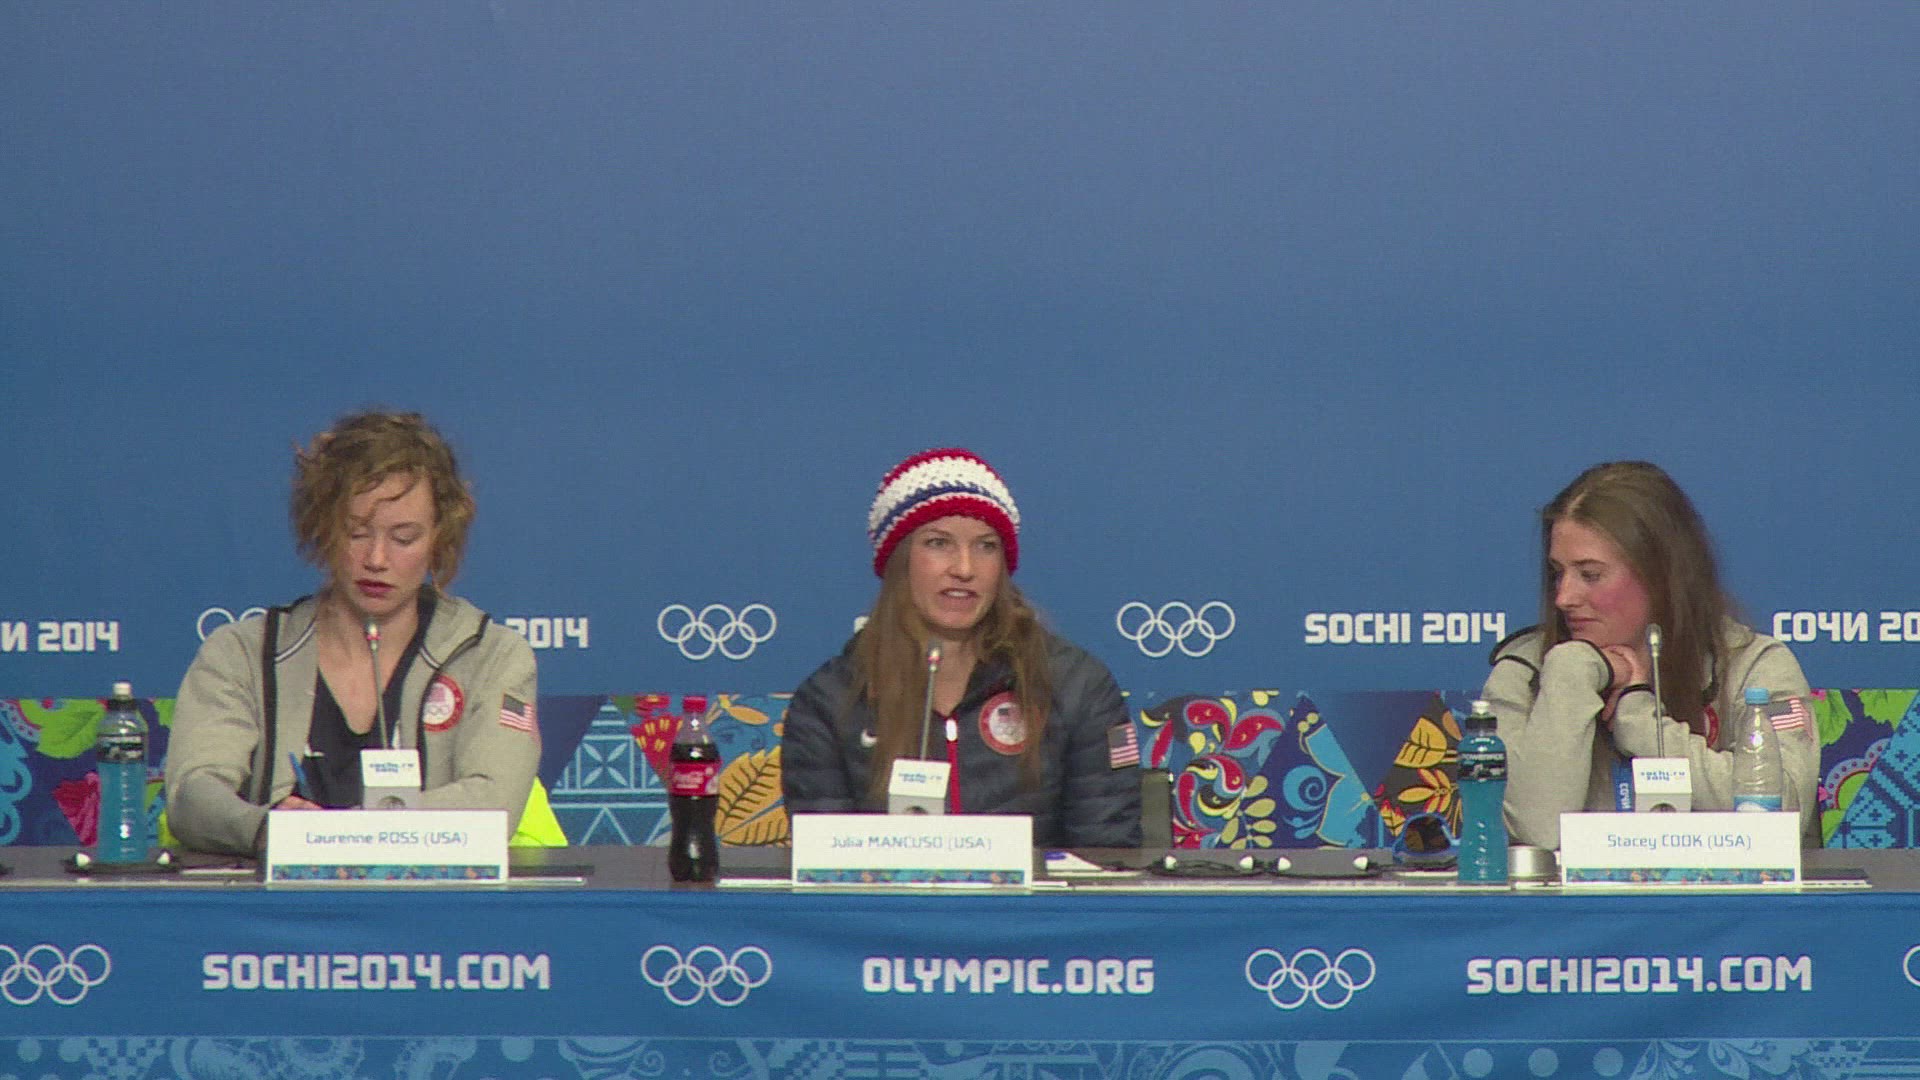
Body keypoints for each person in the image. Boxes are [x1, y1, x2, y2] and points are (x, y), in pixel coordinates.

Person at [165, 411, 545, 856]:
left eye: (403, 538)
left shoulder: (492, 655)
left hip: (435, 898)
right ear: (323, 530)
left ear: (439, 539)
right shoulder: (241, 654)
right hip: (279, 899)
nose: (376, 559)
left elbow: (494, 802)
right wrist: (265, 828)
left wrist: (341, 834)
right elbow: (193, 794)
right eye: (357, 533)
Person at [782, 448, 1142, 848]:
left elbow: (1106, 856)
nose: (965, 569)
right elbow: (823, 861)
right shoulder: (830, 701)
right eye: (939, 543)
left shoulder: (1078, 686)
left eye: (986, 546)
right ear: (898, 560)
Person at [1482, 461, 1819, 849]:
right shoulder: (1522, 673)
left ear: (1661, 576)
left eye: (1590, 574)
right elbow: (1539, 831)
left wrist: (1640, 721)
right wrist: (1572, 671)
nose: (1564, 597)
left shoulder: (1757, 667)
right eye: (1558, 572)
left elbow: (1779, 813)